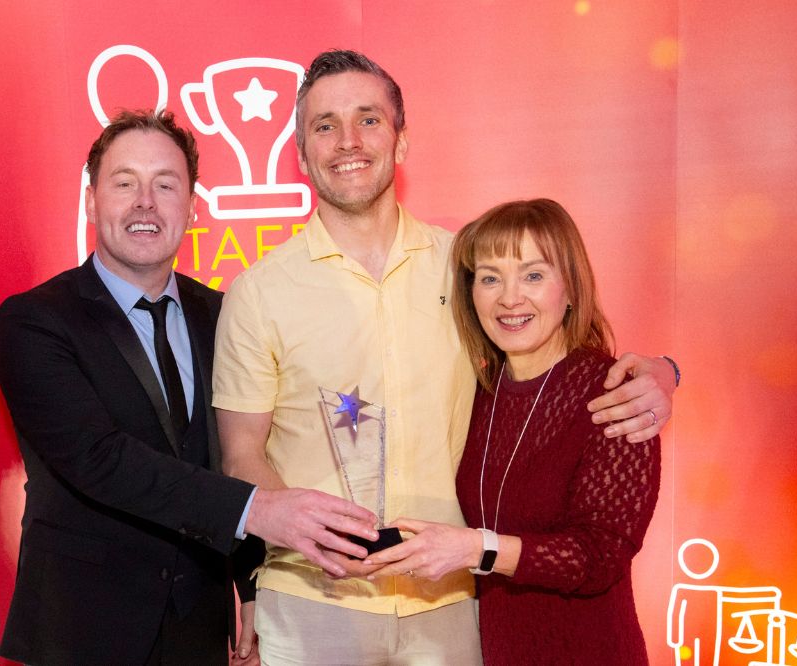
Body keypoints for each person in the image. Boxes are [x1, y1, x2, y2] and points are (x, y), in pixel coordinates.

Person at [213, 50, 676, 664]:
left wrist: (663, 372)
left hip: (454, 602)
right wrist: (308, 538)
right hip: (313, 604)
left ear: (401, 143)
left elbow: (547, 361)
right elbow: (241, 453)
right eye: (325, 125)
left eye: (369, 119)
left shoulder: (467, 266)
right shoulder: (257, 291)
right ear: (301, 155)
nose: (348, 140)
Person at [0, 109, 378, 666]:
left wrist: (251, 589)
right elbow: (98, 458)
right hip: (80, 632)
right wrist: (260, 511)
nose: (145, 202)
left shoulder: (224, 315)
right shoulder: (34, 321)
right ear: (91, 201)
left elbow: (236, 452)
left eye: (165, 185)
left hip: (198, 628)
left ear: (193, 208)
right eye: (125, 183)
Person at [365, 199, 662, 664]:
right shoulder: (480, 390)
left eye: (533, 275)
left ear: (570, 288)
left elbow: (599, 556)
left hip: (589, 650)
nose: (509, 298)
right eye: (490, 278)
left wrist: (475, 549)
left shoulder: (613, 395)